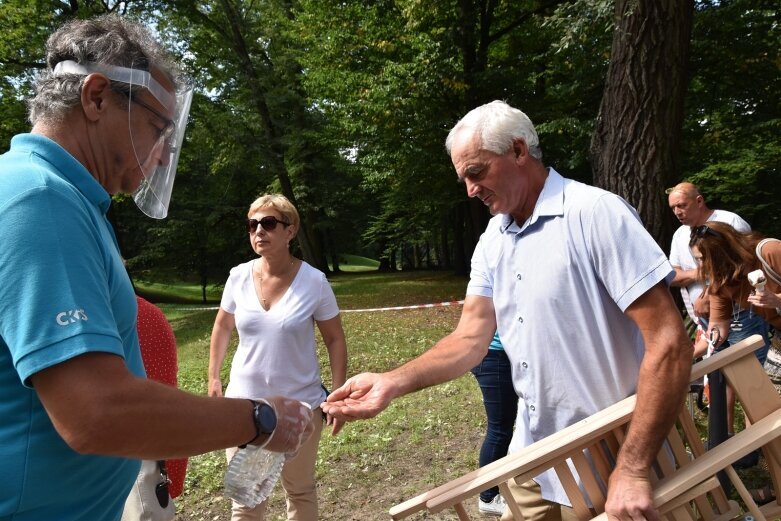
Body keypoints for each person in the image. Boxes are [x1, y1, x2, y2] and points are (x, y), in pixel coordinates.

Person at [0, 15, 312, 521]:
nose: (165, 153)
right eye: (158, 127)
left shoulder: (65, 199)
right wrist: (258, 417)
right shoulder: (41, 201)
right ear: (97, 97)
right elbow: (95, 413)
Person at [323, 100, 693, 521]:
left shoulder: (594, 213)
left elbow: (668, 342)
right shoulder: (493, 239)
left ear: (519, 151)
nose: (470, 190)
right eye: (463, 178)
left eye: (476, 172)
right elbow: (469, 339)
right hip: (533, 458)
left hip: (610, 455)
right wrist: (392, 381)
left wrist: (633, 468)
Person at [208, 193, 348, 521]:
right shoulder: (238, 277)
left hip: (300, 409)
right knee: (247, 500)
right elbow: (222, 326)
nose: (259, 231)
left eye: (269, 223)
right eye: (252, 224)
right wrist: (214, 376)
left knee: (299, 491)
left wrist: (338, 396)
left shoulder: (313, 282)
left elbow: (335, 339)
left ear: (290, 230)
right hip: (246, 410)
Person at [121, 295, 188, 521]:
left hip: (130, 466)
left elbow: (160, 408)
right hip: (144, 461)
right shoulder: (144, 312)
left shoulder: (135, 316)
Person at [667, 182, 750, 326]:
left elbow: (745, 266)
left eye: (681, 205)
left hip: (739, 314)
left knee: (749, 349)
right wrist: (703, 272)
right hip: (704, 319)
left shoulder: (729, 221)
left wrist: (709, 297)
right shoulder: (679, 235)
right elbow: (672, 276)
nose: (677, 212)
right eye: (673, 208)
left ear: (699, 201)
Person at [471, 332, 516, 516]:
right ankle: (488, 497)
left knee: (504, 428)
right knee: (499, 431)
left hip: (499, 354)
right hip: (494, 356)